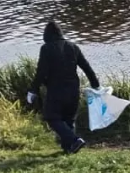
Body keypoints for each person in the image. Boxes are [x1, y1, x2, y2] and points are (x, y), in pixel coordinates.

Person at [27, 20, 100, 154]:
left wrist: (33, 90)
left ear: (46, 35)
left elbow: (41, 72)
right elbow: (86, 67)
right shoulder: (73, 47)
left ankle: (74, 140)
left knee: (52, 117)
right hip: (73, 89)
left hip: (56, 90)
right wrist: (95, 84)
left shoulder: (46, 48)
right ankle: (69, 149)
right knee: (69, 119)